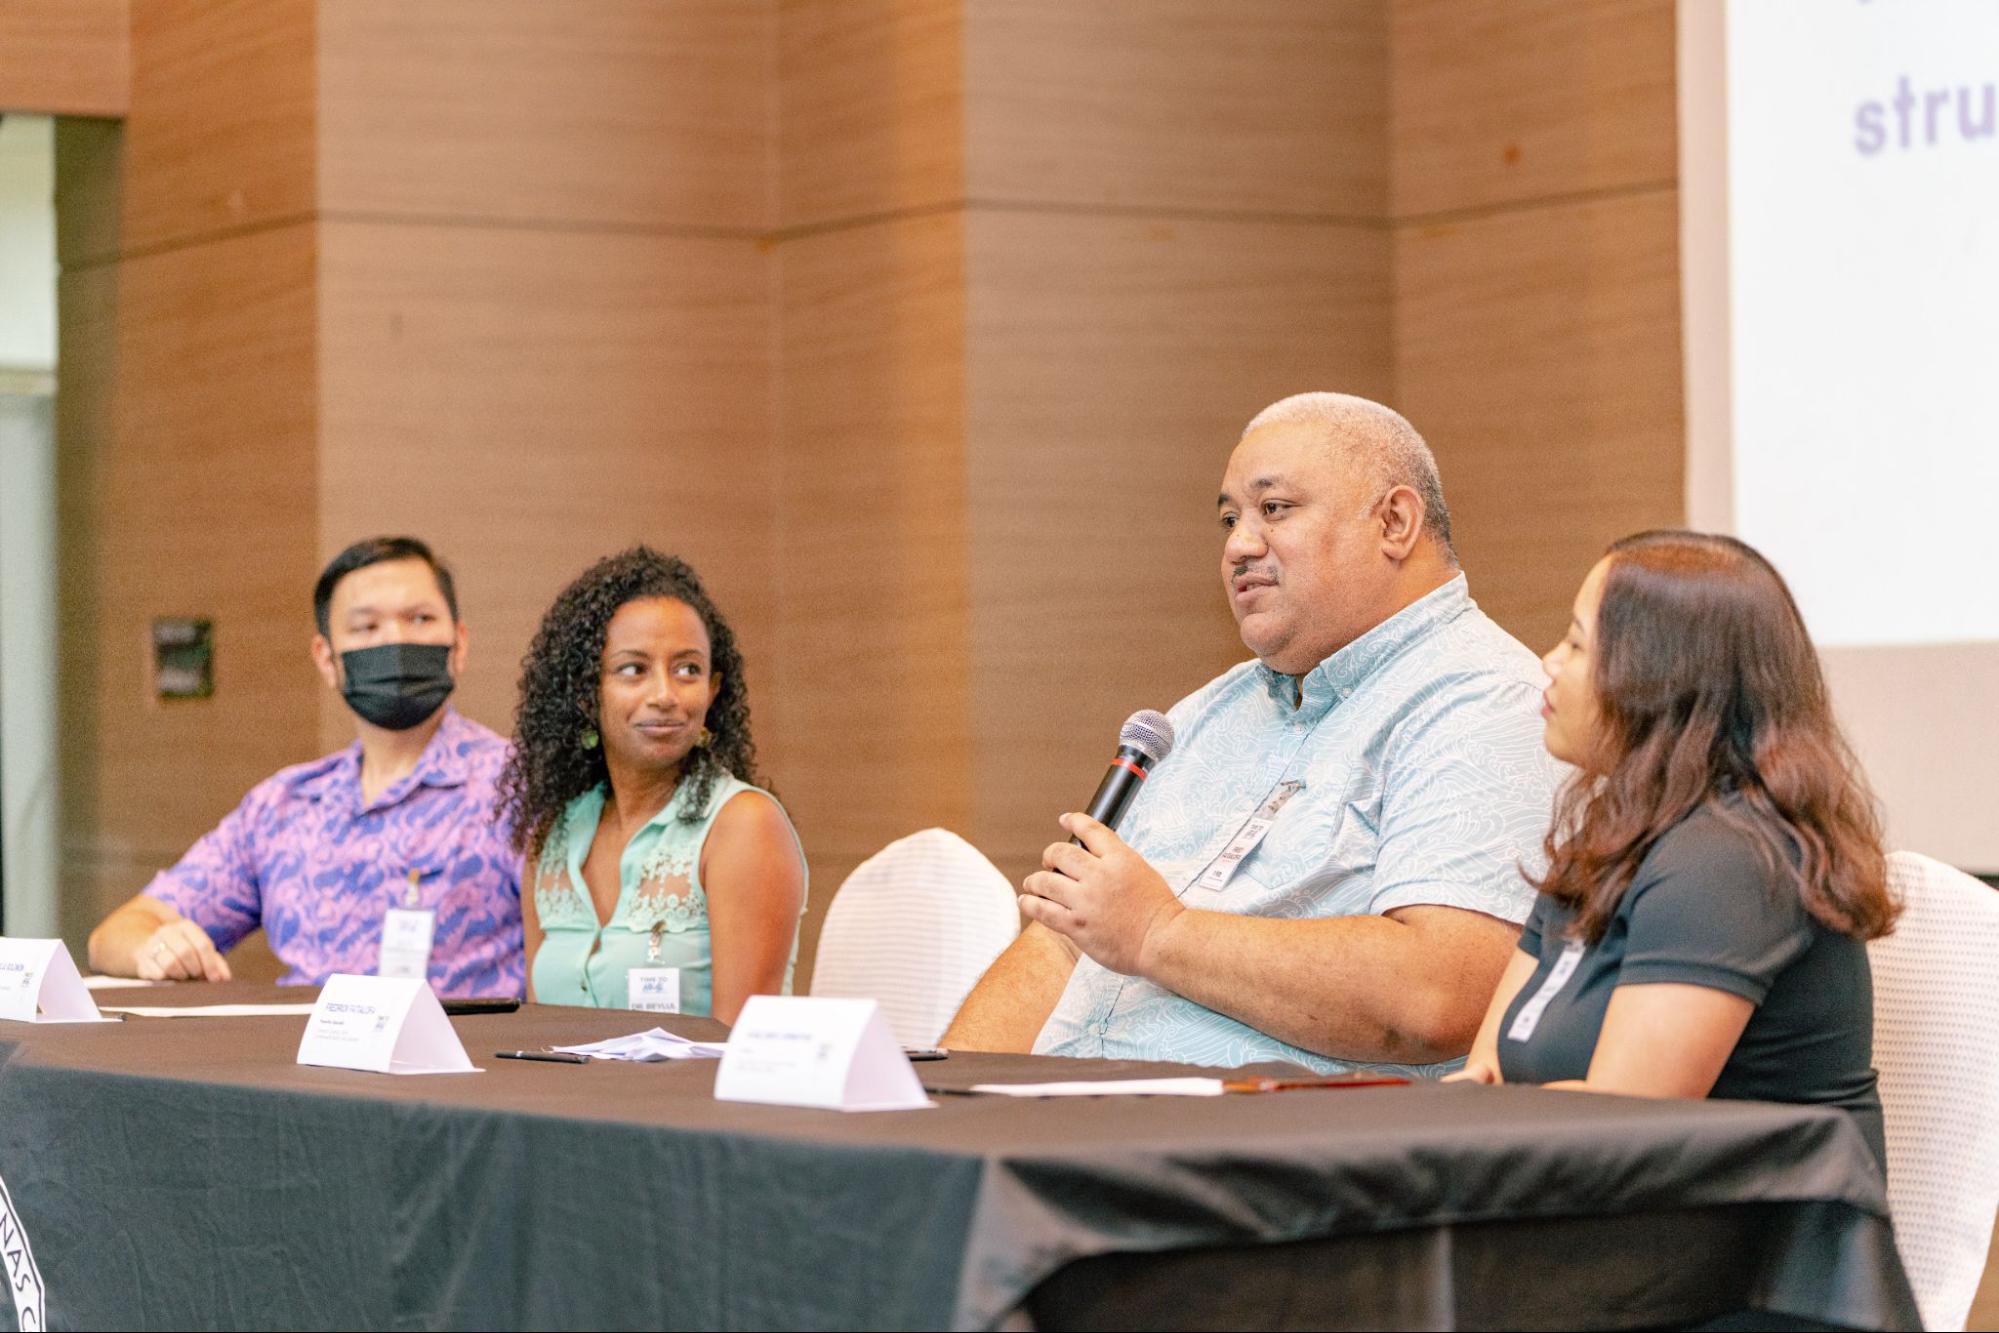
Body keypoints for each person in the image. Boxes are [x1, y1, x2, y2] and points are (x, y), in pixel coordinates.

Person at [942, 392, 1564, 1076]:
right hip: (1066, 1129)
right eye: (1230, 518)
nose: (1239, 544)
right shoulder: (1203, 715)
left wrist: (1160, 934)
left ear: (1393, 521)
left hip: (1273, 1158)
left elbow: (1440, 994)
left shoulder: (1483, 701)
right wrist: (943, 1100)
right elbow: (1064, 938)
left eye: (1274, 509)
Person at [1448, 531, 1899, 1165]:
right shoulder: (1612, 835)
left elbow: (1625, 1128)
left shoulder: (1728, 859)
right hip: (1606, 1218)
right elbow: (1489, 1065)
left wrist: (1483, 1119)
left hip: (1739, 1246)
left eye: (1577, 644)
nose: (1548, 662)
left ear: (1658, 681)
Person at [86, 536, 523, 997]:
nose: (395, 640)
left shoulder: (518, 786)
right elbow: (113, 937)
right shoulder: (284, 806)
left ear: (459, 644)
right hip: (300, 1060)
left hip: (459, 1060)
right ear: (327, 659)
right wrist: (157, 949)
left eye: (420, 619)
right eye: (366, 627)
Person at [501, 548, 805, 1023]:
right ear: (586, 693)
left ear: (713, 689)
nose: (664, 695)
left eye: (688, 670)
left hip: (696, 1097)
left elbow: (743, 1049)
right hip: (564, 1098)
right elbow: (542, 1036)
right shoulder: (552, 838)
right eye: (633, 670)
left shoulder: (744, 826)